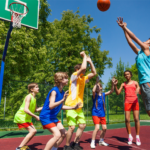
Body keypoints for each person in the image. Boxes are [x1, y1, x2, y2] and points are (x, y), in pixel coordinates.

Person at [117, 17, 150, 117]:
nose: (145, 41)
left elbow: (134, 38)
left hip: (147, 82)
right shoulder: (140, 53)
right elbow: (130, 42)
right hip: (144, 83)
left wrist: (125, 27)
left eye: (147, 40)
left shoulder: (147, 49)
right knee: (148, 110)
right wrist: (124, 29)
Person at [64, 51, 97, 150]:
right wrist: (84, 57)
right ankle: (66, 146)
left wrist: (90, 61)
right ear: (77, 70)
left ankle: (76, 143)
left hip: (79, 106)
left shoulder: (84, 78)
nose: (85, 71)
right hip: (70, 105)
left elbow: (94, 73)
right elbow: (83, 68)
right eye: (83, 70)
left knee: (82, 125)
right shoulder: (74, 76)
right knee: (72, 127)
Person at [40, 72, 81, 150]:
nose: (67, 79)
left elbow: (61, 106)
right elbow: (51, 106)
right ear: (60, 80)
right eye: (65, 78)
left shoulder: (62, 92)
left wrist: (73, 107)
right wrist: (62, 100)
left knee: (64, 133)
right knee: (57, 135)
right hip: (46, 117)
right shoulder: (54, 91)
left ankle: (54, 149)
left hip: (52, 117)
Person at [114, 70, 141, 145]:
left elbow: (138, 88)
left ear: (131, 75)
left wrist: (138, 89)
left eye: (128, 74)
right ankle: (130, 136)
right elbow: (117, 93)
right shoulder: (123, 84)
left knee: (136, 119)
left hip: (135, 101)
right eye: (125, 75)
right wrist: (115, 85)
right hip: (127, 102)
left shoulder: (135, 82)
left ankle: (137, 137)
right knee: (127, 120)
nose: (127, 75)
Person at [14, 83, 43, 150]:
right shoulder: (29, 96)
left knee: (34, 131)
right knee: (32, 131)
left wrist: (46, 106)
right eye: (36, 87)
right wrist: (35, 116)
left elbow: (35, 110)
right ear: (32, 89)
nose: (38, 88)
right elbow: (26, 110)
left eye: (38, 87)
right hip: (21, 117)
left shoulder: (34, 98)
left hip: (26, 118)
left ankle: (22, 146)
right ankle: (19, 148)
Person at [90, 77, 114, 149]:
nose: (97, 87)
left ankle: (101, 141)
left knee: (104, 128)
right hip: (95, 113)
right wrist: (96, 83)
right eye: (96, 86)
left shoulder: (103, 94)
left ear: (101, 88)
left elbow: (111, 91)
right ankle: (93, 142)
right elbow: (93, 91)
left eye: (98, 86)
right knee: (97, 128)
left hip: (102, 114)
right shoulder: (94, 95)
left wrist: (112, 84)